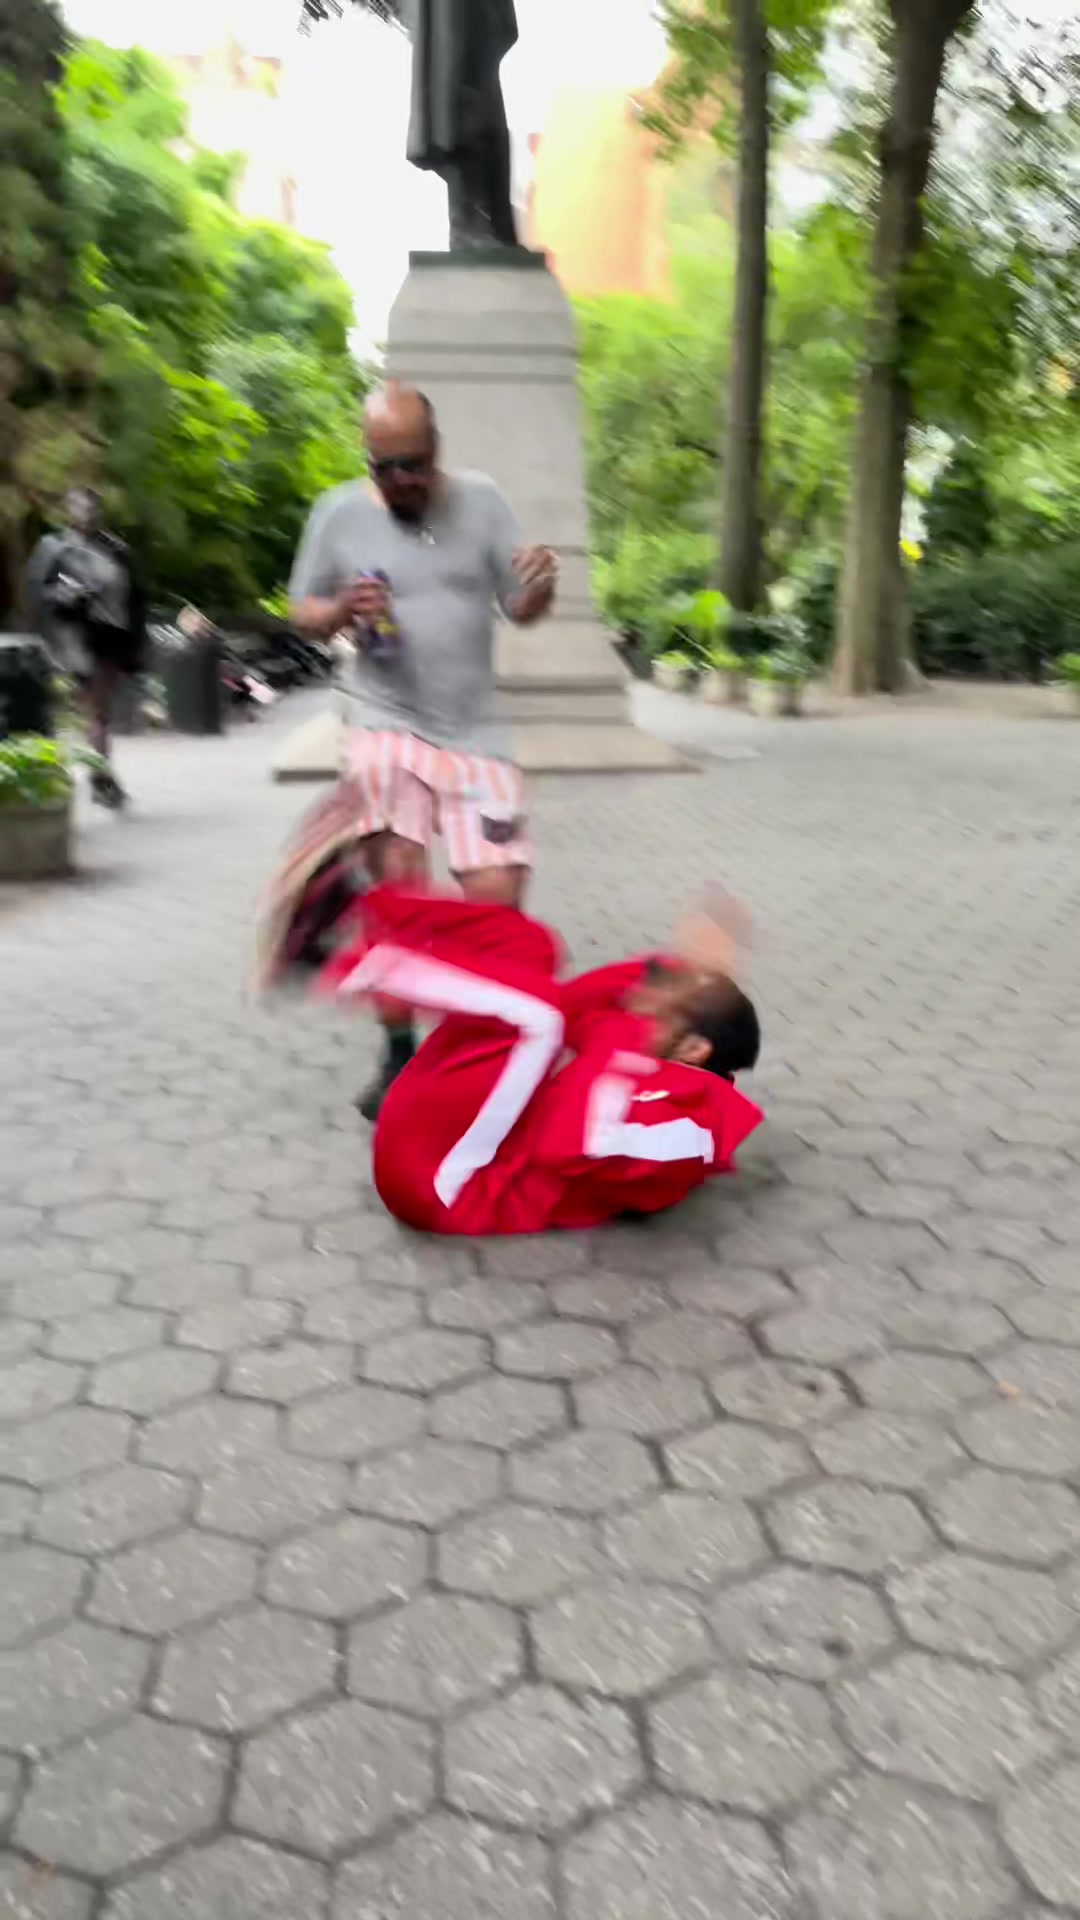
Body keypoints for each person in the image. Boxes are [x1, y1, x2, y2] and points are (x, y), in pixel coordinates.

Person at [287, 380, 557, 1117]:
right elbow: (302, 609)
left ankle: (488, 1051)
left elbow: (521, 608)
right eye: (384, 467)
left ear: (436, 449)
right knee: (399, 890)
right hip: (386, 724)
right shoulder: (338, 513)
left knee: (498, 899)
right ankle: (400, 1054)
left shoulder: (483, 501)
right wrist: (340, 610)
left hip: (477, 731)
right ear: (366, 459)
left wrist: (539, 588)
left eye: (413, 463)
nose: (401, 479)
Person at [306, 882, 763, 1237]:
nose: (649, 1002)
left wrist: (624, 1041)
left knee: (539, 1018)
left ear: (694, 1049)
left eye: (669, 1005)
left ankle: (339, 965)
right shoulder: (645, 1053)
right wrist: (673, 968)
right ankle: (354, 908)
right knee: (531, 947)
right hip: (453, 1140)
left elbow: (570, 1144)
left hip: (449, 1189)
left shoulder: (692, 1126)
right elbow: (577, 1001)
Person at [26, 488, 144, 809]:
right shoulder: (54, 547)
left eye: (92, 508)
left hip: (111, 638)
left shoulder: (116, 549)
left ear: (99, 511)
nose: (86, 514)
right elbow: (37, 592)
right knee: (95, 711)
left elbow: (135, 599)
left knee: (99, 712)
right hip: (74, 638)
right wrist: (64, 594)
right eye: (79, 507)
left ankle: (100, 777)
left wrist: (135, 648)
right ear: (68, 510)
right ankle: (101, 778)